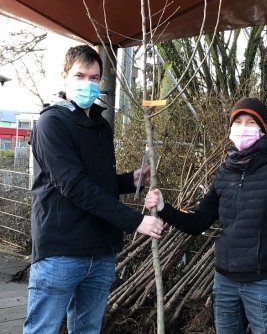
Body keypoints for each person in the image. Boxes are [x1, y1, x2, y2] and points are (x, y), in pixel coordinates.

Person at [144, 97, 267, 333]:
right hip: (225, 283)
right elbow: (197, 223)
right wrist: (164, 208)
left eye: (251, 123)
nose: (243, 128)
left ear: (262, 130)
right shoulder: (225, 171)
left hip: (264, 283)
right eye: (238, 122)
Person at [24, 45, 165, 334]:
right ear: (65, 77)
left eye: (94, 77)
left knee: (88, 329)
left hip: (100, 250)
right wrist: (136, 221)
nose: (88, 83)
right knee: (43, 329)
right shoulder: (51, 123)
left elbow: (98, 181)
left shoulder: (100, 125)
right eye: (80, 75)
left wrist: (131, 180)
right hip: (61, 251)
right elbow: (74, 186)